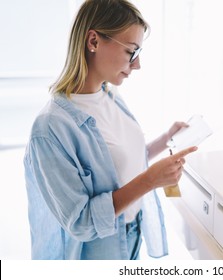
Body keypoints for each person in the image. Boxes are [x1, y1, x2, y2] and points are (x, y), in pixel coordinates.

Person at [23, 0, 197, 260]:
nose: (136, 65)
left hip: (132, 235)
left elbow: (115, 167)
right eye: (131, 52)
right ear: (93, 41)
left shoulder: (109, 94)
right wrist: (150, 180)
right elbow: (81, 221)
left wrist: (164, 140)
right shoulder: (50, 129)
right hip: (98, 252)